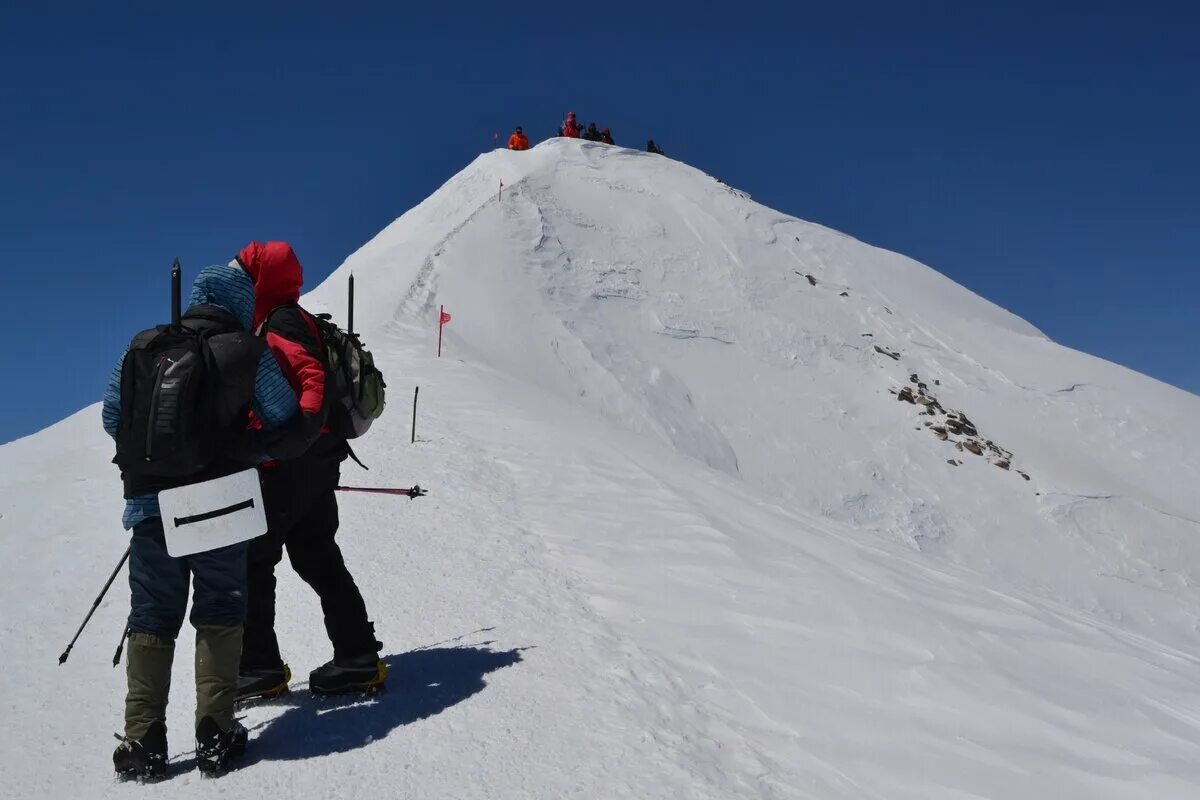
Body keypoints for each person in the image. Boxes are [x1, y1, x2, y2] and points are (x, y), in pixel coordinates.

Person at [104, 260, 299, 780]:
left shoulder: (143, 346)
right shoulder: (245, 349)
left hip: (150, 510)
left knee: (151, 618)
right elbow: (282, 413)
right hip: (218, 506)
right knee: (219, 609)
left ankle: (142, 739)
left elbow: (109, 416)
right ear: (239, 304)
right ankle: (215, 730)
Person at [236, 242, 386, 702]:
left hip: (291, 465)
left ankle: (259, 666)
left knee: (255, 560)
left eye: (247, 274)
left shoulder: (278, 322)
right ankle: (357, 654)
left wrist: (281, 443)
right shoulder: (297, 318)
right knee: (318, 555)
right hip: (316, 463)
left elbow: (306, 384)